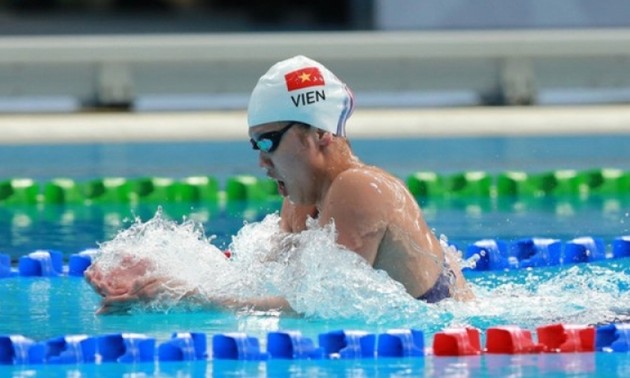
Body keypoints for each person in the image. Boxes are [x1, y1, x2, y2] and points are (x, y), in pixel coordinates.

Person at [86, 55, 473, 314]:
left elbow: (321, 307)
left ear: (318, 133)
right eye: (256, 144)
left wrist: (189, 299)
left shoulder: (360, 189)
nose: (261, 159)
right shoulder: (300, 201)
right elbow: (252, 277)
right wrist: (163, 273)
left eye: (269, 141)